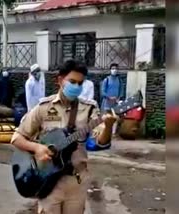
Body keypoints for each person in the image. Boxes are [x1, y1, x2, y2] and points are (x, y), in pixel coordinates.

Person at [11, 60, 118, 214]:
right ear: (60, 80)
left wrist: (108, 125)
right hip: (47, 181)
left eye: (80, 83)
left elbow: (99, 142)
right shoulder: (43, 108)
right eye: (72, 82)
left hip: (76, 181)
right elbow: (16, 138)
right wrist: (37, 148)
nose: (76, 87)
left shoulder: (89, 109)